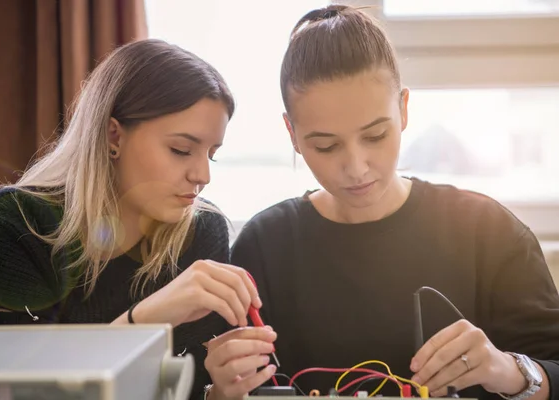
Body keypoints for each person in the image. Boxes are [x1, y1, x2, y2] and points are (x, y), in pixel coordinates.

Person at [230, 5, 559, 400]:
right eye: (326, 145)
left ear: (403, 109)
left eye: (375, 136)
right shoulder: (264, 247)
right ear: (291, 133)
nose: (356, 167)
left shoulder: (487, 231)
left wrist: (508, 370)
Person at [0, 39, 277, 400]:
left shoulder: (203, 231)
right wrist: (144, 322)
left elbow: (187, 391)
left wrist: (221, 391)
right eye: (181, 150)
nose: (203, 174)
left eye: (212, 154)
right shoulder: (12, 225)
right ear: (114, 135)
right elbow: (13, 391)